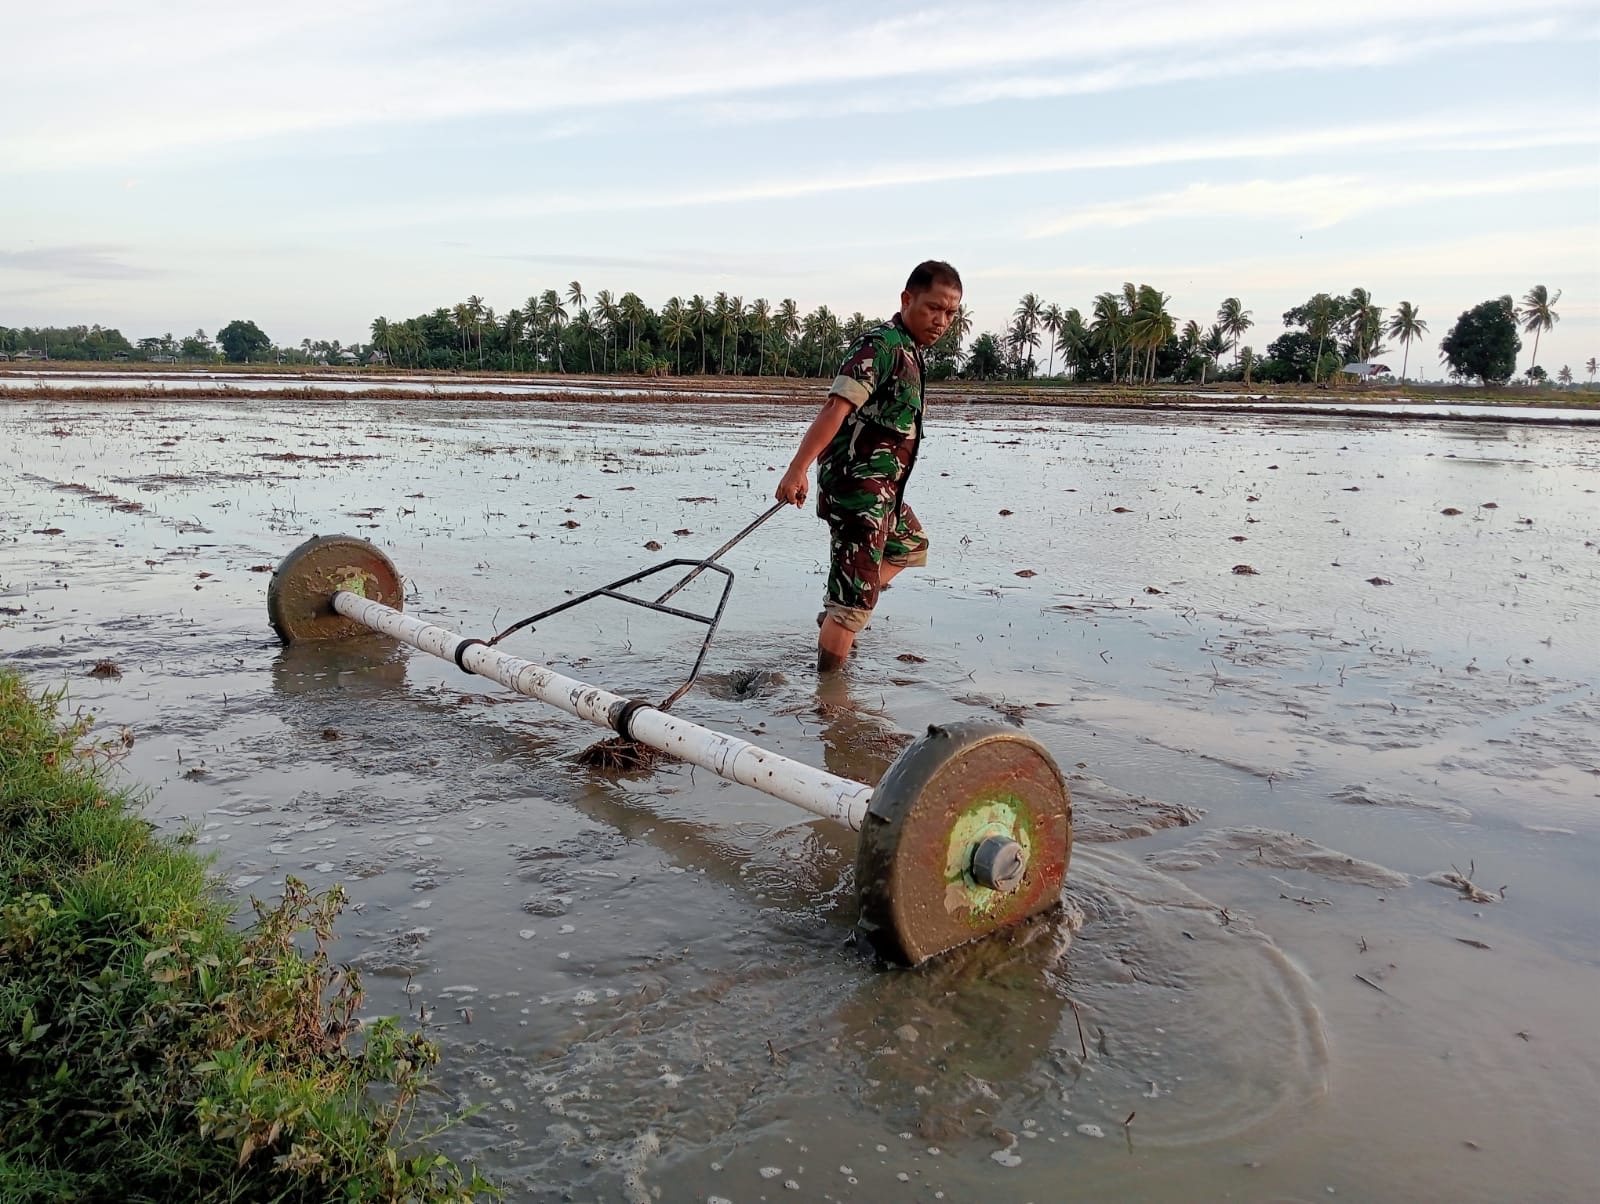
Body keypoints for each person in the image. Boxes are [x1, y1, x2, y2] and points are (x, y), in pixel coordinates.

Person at [775, 261, 963, 672]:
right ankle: (830, 701)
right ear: (907, 299)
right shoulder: (879, 346)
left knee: (910, 544)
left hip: (885, 495)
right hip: (858, 492)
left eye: (951, 313)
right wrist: (798, 469)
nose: (942, 320)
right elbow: (835, 409)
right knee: (852, 607)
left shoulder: (909, 352)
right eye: (934, 308)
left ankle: (841, 607)